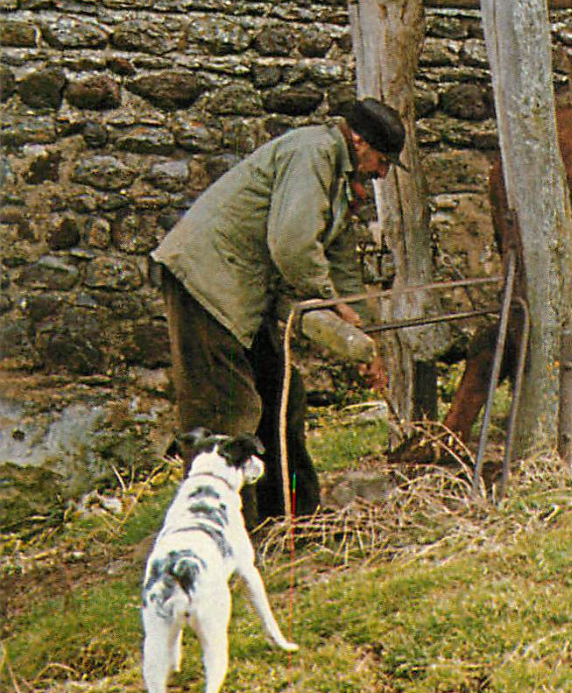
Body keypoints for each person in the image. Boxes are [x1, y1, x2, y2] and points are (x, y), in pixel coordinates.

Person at [151, 99, 408, 525]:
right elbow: (291, 246)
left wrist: (365, 342)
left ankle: (294, 519)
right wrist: (332, 301)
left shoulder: (341, 180)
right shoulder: (313, 153)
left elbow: (342, 264)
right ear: (359, 141)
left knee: (282, 396)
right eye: (381, 161)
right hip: (208, 281)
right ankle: (227, 531)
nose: (382, 174)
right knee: (227, 411)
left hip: (245, 294)